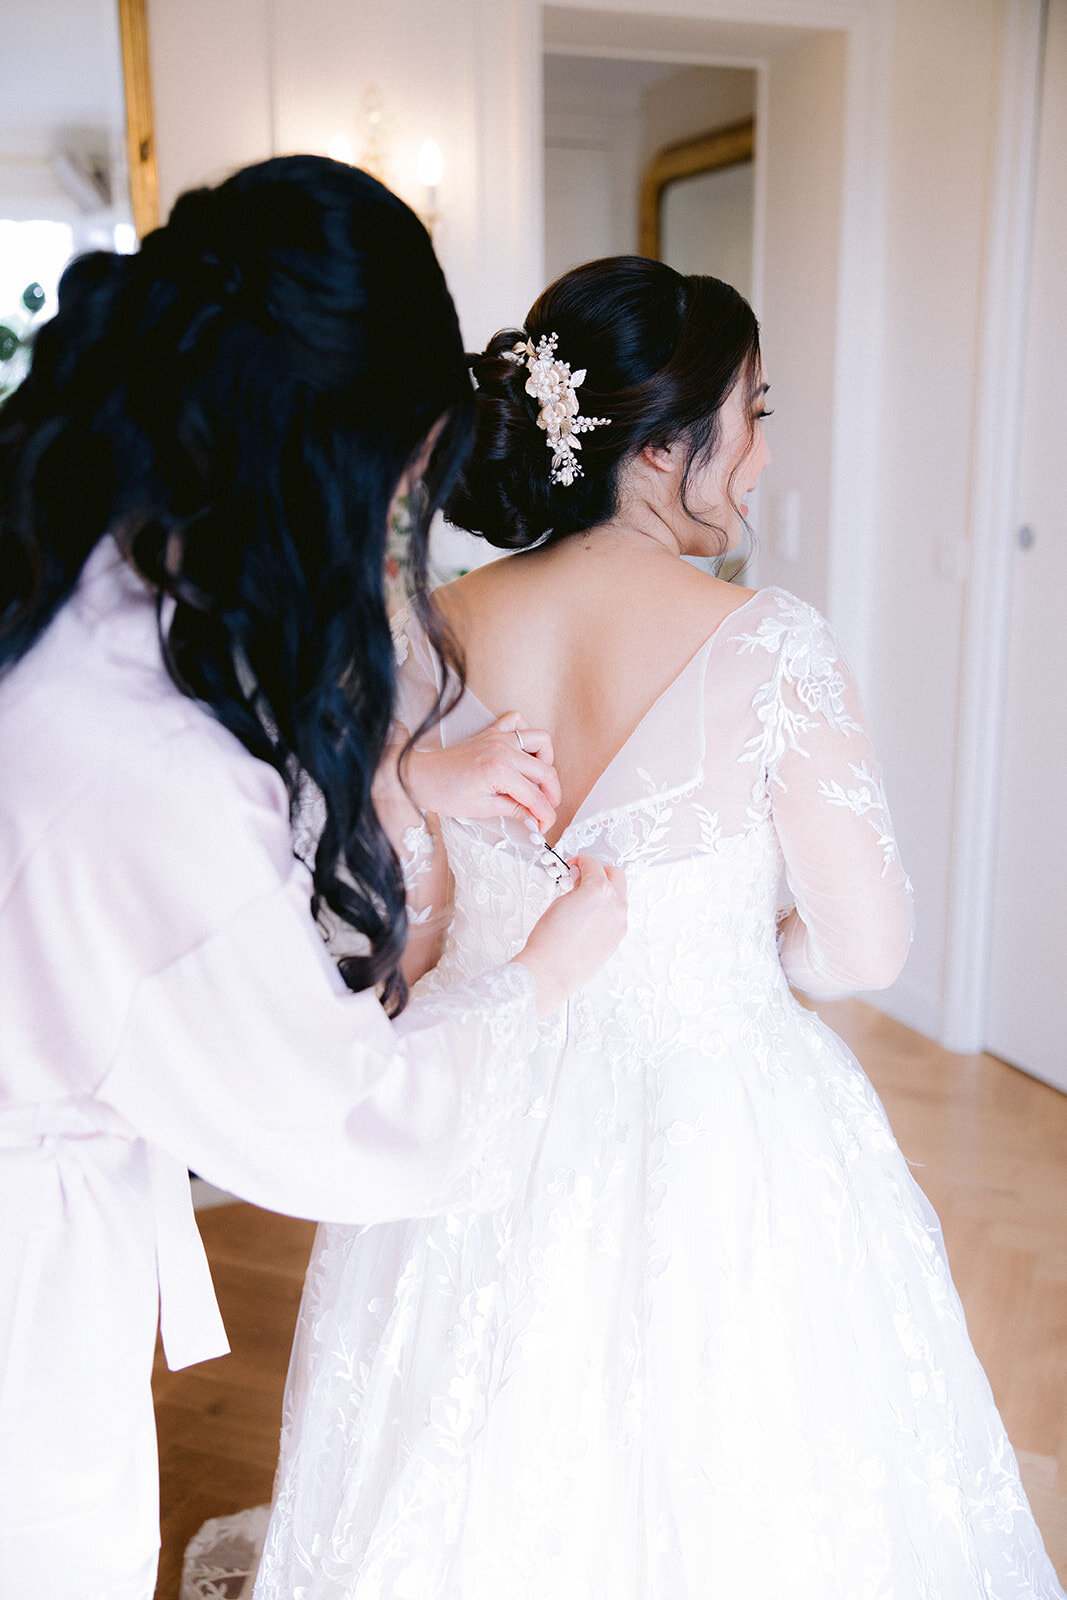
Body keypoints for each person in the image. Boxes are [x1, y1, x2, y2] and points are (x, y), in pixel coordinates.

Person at [238, 254, 1066, 1600]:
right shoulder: (772, 644)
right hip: (717, 1106)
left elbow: (414, 928)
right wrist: (744, 948)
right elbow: (869, 950)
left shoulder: (438, 628)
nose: (764, 449)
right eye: (755, 409)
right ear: (669, 447)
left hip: (480, 1099)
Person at [0, 160, 626, 1600]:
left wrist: (406, 781)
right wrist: (543, 977)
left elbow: (136, 883)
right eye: (402, 480)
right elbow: (353, 1124)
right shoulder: (145, 771)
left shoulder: (69, 561)